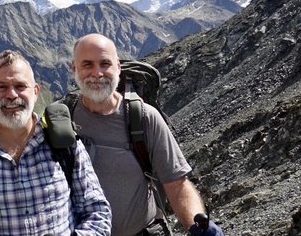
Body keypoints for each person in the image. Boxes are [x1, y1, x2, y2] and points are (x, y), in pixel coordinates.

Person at [0, 49, 112, 235]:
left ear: (35, 91)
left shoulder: (65, 141)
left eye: (20, 86)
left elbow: (97, 213)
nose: (12, 95)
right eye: (2, 87)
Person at [70, 33, 224, 236]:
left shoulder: (143, 118)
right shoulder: (63, 117)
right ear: (74, 68)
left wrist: (197, 226)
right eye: (87, 64)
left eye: (105, 64)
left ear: (118, 66)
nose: (97, 73)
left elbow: (177, 184)